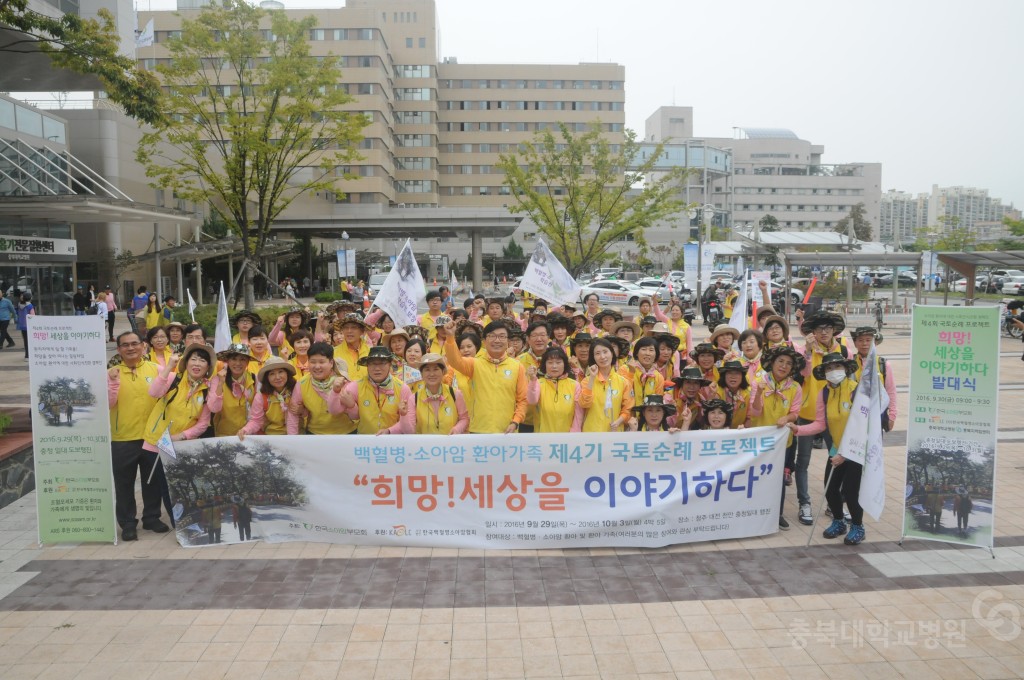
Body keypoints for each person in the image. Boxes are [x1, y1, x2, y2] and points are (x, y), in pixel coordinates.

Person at [793, 352, 867, 545]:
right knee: (831, 489)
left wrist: (845, 454)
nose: (833, 371)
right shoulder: (824, 393)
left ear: (845, 369)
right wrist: (798, 429)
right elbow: (820, 424)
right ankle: (838, 521)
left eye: (837, 367)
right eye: (829, 368)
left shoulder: (856, 390)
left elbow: (862, 426)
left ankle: (858, 526)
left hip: (856, 450)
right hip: (836, 449)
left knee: (851, 492)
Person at [107, 331, 163, 541]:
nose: (130, 348)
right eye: (125, 345)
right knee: (124, 484)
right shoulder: (112, 373)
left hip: (151, 437)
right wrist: (112, 383)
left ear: (143, 346)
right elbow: (108, 404)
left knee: (153, 480)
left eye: (134, 344)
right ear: (119, 349)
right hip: (123, 438)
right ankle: (128, 523)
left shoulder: (156, 370)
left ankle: (151, 517)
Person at [794, 310, 848, 525]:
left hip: (834, 415)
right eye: (819, 329)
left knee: (836, 459)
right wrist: (807, 351)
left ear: (834, 330)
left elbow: (849, 381)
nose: (823, 332)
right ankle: (804, 502)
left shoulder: (843, 350)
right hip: (807, 415)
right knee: (803, 461)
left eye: (827, 329)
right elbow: (804, 374)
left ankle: (833, 503)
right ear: (812, 332)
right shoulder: (804, 350)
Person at [748, 345, 804, 531]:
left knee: (778, 479)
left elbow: (796, 413)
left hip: (782, 442)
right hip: (759, 440)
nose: (784, 366)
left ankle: (777, 514)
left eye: (788, 363)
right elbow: (754, 412)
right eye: (780, 361)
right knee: (755, 477)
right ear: (772, 362)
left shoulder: (795, 387)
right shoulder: (758, 382)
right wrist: (758, 394)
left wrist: (787, 418)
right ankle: (753, 512)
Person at [442, 319, 527, 433]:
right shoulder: (474, 364)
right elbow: (454, 361)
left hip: (507, 432)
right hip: (478, 430)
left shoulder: (517, 366)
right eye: (492, 336)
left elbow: (523, 399)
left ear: (508, 341)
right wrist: (450, 337)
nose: (497, 340)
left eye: (502, 336)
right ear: (484, 341)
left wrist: (515, 421)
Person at [338, 346, 415, 435]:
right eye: (373, 364)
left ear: (390, 364)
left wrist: (390, 431)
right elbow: (343, 413)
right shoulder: (355, 386)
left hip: (393, 441)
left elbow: (408, 424)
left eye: (382, 363)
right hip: (364, 442)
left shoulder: (402, 388)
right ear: (367, 366)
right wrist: (350, 406)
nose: (377, 368)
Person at [287, 342, 354, 435]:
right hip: (315, 434)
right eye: (312, 362)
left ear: (331, 363)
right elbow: (293, 414)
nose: (317, 366)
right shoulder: (302, 384)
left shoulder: (343, 381)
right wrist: (292, 439)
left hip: (346, 433)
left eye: (321, 362)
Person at [579, 338, 634, 432]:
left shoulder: (623, 382)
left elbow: (628, 409)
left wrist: (618, 421)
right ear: (593, 357)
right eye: (597, 353)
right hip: (591, 434)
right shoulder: (586, 381)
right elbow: (584, 404)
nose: (602, 356)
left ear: (612, 354)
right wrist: (592, 378)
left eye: (605, 352)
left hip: (614, 433)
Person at [850, 327, 897, 432]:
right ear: (855, 343)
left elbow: (891, 391)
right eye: (860, 340)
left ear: (875, 342)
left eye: (868, 340)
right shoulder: (849, 363)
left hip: (876, 413)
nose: (864, 344)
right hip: (853, 414)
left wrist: (892, 415)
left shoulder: (884, 364)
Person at [526, 346, 583, 433]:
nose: (554, 366)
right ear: (545, 365)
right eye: (550, 362)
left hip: (567, 440)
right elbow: (531, 400)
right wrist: (533, 380)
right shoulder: (538, 383)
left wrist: (573, 434)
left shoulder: (575, 385)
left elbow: (578, 413)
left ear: (565, 364)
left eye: (558, 362)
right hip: (543, 437)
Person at [208, 343, 257, 437]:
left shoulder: (254, 379)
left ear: (247, 362)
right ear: (227, 361)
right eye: (234, 359)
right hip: (223, 436)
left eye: (242, 359)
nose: (238, 363)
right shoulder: (217, 379)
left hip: (248, 435)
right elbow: (214, 408)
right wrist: (221, 384)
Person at [239, 356, 296, 438]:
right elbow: (256, 421)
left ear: (287, 373)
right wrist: (246, 430)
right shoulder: (261, 397)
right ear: (267, 378)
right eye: (272, 374)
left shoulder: (296, 390)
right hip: (271, 437)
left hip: (296, 436)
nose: (277, 377)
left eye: (280, 372)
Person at [414, 353, 469, 435]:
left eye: (436, 369)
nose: (432, 374)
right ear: (421, 374)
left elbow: (464, 418)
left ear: (443, 372)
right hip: (424, 446)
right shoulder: (414, 398)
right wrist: (404, 415)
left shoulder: (455, 394)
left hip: (451, 445)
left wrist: (457, 429)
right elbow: (409, 428)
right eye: (427, 370)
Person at [517, 321, 551, 433]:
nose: (539, 339)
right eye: (535, 335)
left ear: (548, 337)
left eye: (542, 335)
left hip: (550, 420)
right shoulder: (518, 361)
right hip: (525, 420)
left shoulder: (558, 360)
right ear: (528, 339)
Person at [714, 360, 751, 429]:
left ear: (742, 377)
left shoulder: (747, 394)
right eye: (729, 373)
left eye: (737, 373)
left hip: (739, 435)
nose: (733, 376)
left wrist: (744, 428)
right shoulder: (716, 392)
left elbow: (749, 418)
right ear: (724, 376)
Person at [15, 292, 34, 359]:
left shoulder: (19, 305)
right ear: (30, 298)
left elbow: (17, 312)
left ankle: (26, 356)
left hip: (22, 326)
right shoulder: (30, 306)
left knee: (25, 341)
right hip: (29, 326)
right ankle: (30, 355)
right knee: (30, 341)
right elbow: (32, 316)